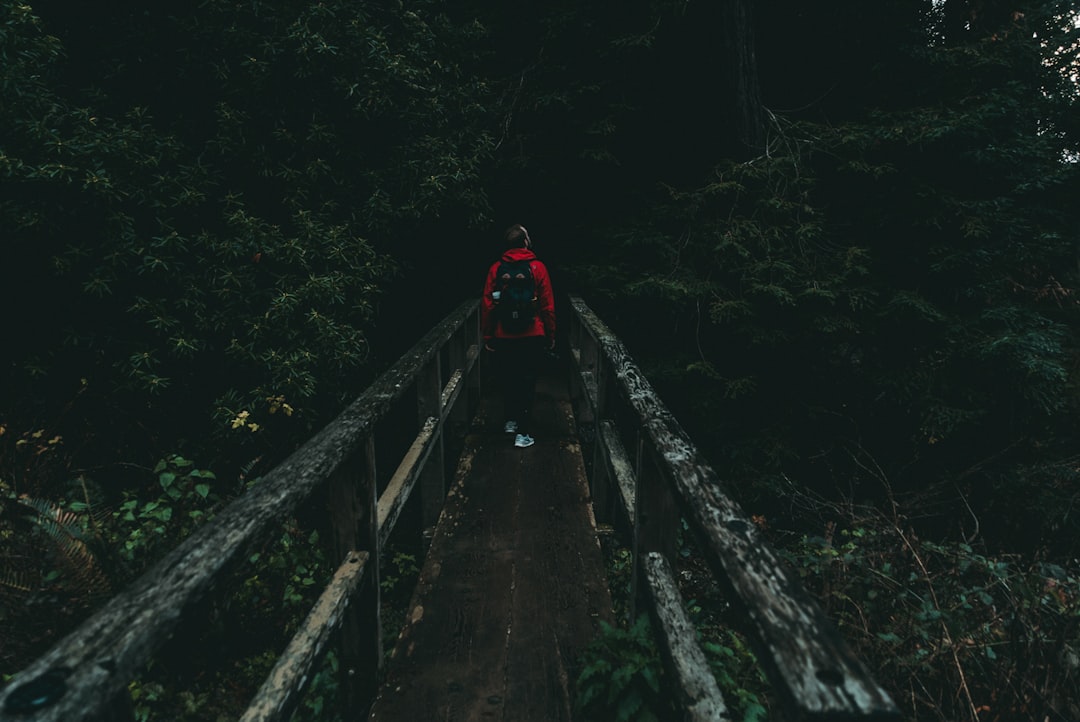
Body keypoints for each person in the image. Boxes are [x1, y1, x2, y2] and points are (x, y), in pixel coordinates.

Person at [480, 224, 556, 448]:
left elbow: (488, 304)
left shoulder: (496, 269)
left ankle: (510, 421)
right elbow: (547, 305)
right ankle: (523, 433)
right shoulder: (537, 267)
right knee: (527, 379)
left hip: (504, 334)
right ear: (525, 242)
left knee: (508, 376)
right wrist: (550, 334)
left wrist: (488, 335)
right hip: (532, 333)